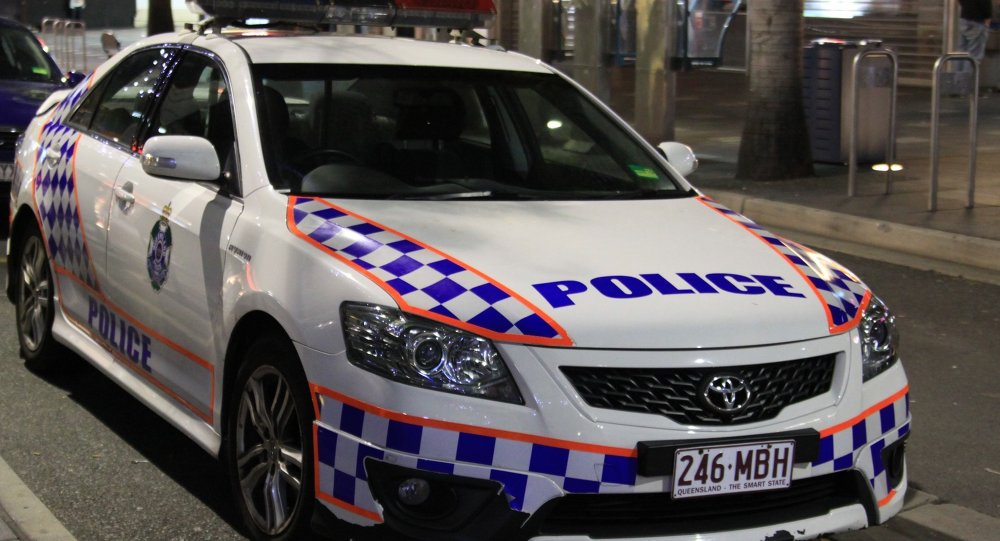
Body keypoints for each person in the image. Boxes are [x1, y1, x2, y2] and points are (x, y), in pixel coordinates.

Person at [958, 0, 992, 64]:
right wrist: (988, 16)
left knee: (961, 53)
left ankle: (959, 73)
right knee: (973, 56)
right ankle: (969, 74)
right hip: (977, 21)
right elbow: (985, 4)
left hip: (964, 19)